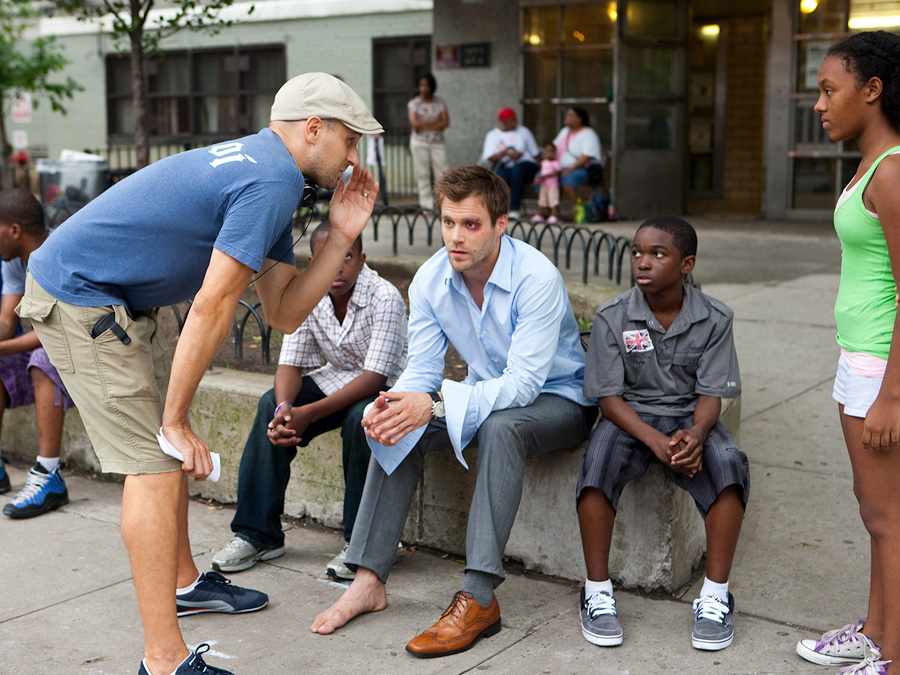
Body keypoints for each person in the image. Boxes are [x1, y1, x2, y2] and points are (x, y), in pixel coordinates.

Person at [17, 72, 383, 675]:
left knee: (160, 454)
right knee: (157, 464)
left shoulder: (272, 176)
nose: (354, 157)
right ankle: (163, 661)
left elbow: (283, 311)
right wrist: (176, 418)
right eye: (350, 139)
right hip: (81, 294)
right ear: (313, 130)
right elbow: (213, 305)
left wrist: (340, 235)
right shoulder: (269, 180)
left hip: (117, 297)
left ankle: (186, 584)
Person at [309, 164, 596, 657]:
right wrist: (399, 403)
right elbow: (422, 369)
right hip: (485, 393)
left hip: (559, 399)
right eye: (447, 223)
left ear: (501, 224)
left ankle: (479, 596)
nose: (455, 237)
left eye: (471, 224)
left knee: (504, 427)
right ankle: (368, 577)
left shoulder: (536, 278)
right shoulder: (431, 279)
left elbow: (525, 386)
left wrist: (437, 403)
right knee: (395, 423)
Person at [578, 216, 748, 652]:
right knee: (597, 465)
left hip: (689, 418)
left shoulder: (714, 318)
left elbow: (712, 393)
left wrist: (696, 433)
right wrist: (653, 440)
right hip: (629, 418)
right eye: (637, 252)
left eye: (658, 253)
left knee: (728, 465)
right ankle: (596, 591)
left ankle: (714, 595)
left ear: (686, 263)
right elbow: (608, 399)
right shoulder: (614, 316)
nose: (643, 261)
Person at [212, 221, 407, 580]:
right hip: (338, 381)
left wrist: (308, 413)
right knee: (271, 404)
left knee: (360, 420)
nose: (337, 266)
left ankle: (364, 543)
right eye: (326, 258)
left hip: (386, 391)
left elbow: (374, 378)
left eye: (346, 256)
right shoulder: (309, 295)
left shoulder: (385, 298)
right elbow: (289, 364)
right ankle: (258, 534)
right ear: (313, 261)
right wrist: (287, 411)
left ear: (361, 259)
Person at [793, 31, 900, 675]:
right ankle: (876, 632)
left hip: (880, 369)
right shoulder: (869, 164)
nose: (820, 104)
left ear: (873, 90)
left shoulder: (891, 174)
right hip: (858, 359)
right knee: (877, 515)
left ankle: (892, 661)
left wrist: (892, 392)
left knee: (889, 521)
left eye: (830, 90)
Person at [0, 188, 74, 519]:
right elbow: (7, 319)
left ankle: (49, 474)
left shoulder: (64, 250)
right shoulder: (15, 260)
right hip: (49, 338)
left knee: (45, 361)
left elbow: (53, 334)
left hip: (89, 341)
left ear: (14, 230)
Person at [480, 107, 539, 219]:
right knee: (500, 177)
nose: (514, 123)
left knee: (517, 171)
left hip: (525, 165)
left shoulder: (524, 131)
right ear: (503, 122)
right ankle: (497, 210)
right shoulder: (493, 135)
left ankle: (515, 209)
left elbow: (535, 153)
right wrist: (505, 154)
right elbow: (490, 156)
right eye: (510, 121)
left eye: (514, 120)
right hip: (505, 165)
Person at [408, 73, 449, 210]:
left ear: (432, 86)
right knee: (422, 173)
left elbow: (445, 122)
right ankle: (426, 206)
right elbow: (415, 123)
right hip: (419, 142)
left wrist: (424, 123)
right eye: (421, 85)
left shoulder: (439, 102)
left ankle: (443, 203)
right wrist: (434, 122)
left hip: (437, 142)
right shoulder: (414, 103)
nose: (423, 88)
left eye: (426, 85)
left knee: (442, 173)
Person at [553, 107, 603, 216]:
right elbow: (554, 148)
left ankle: (574, 209)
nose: (566, 117)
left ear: (579, 119)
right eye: (566, 114)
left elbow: (588, 155)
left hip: (582, 168)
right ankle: (549, 211)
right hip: (561, 168)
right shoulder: (564, 131)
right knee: (543, 176)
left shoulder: (588, 134)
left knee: (569, 178)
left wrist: (572, 166)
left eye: (570, 115)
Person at [532, 142, 562, 224]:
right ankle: (540, 215)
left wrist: (546, 176)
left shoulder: (556, 163)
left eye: (551, 151)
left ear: (555, 153)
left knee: (553, 201)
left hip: (553, 186)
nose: (549, 153)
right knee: (542, 200)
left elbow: (556, 172)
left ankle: (553, 215)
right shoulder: (544, 162)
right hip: (544, 185)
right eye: (547, 151)